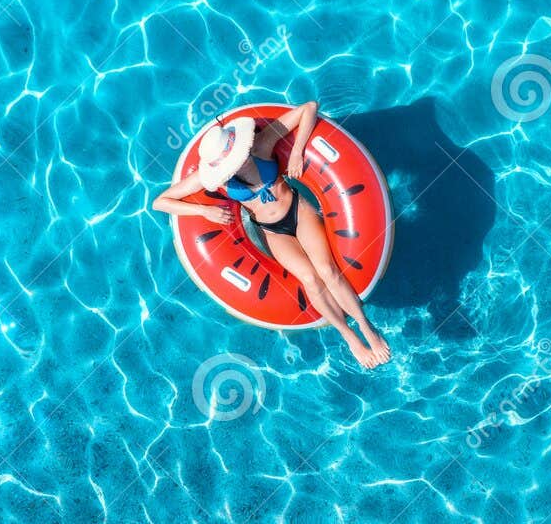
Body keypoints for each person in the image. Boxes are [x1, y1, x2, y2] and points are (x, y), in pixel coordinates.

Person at [153, 102, 392, 369]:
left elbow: (309, 108)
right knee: (310, 279)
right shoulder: (217, 179)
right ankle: (349, 337)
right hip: (272, 231)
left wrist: (297, 152)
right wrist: (203, 212)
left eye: (235, 160)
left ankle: (365, 326)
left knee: (326, 269)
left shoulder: (261, 146)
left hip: (297, 211)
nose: (235, 167)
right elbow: (161, 202)